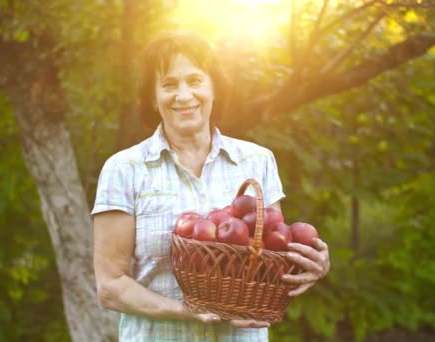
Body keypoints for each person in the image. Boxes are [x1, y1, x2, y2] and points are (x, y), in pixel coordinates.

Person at [92, 31, 330, 341]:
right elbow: (110, 286)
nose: (184, 95)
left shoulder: (256, 162)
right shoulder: (125, 169)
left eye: (195, 80)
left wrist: (309, 266)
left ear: (214, 87)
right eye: (168, 85)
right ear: (153, 97)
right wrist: (184, 309)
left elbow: (269, 262)